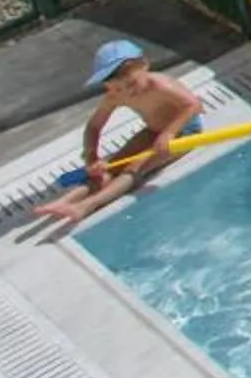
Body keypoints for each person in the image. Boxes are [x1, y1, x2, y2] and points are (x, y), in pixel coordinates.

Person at [23, 40, 202, 236]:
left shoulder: (160, 85)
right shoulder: (116, 95)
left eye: (131, 84)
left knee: (135, 167)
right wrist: (91, 156)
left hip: (184, 133)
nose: (126, 92)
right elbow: (94, 126)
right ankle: (65, 201)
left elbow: (193, 105)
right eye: (116, 89)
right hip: (153, 131)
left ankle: (85, 206)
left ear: (145, 65)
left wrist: (168, 133)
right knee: (110, 166)